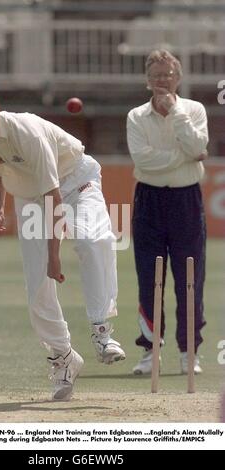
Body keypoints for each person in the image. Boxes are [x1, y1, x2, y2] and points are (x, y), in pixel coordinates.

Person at [0, 75, 125, 401]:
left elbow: (54, 197)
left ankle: (102, 331)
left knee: (92, 240)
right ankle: (64, 358)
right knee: (37, 288)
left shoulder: (28, 132)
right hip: (32, 196)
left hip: (75, 181)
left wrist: (55, 256)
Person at [126, 50, 208, 375]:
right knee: (149, 277)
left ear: (179, 77)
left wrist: (176, 113)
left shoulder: (194, 110)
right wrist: (186, 155)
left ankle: (190, 351)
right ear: (148, 80)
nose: (163, 80)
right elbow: (143, 160)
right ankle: (150, 352)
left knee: (190, 277)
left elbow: (198, 142)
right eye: (157, 75)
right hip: (149, 201)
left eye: (168, 74)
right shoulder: (136, 116)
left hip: (186, 201)